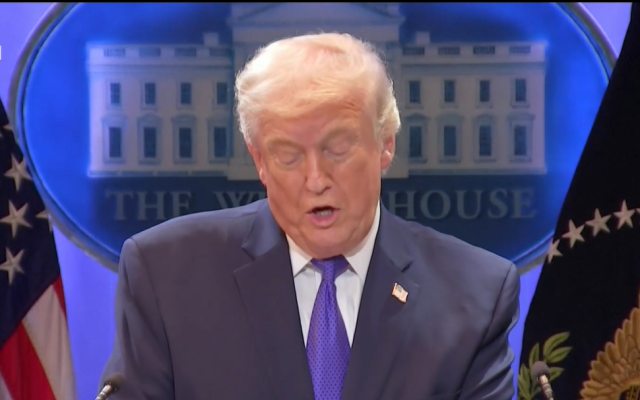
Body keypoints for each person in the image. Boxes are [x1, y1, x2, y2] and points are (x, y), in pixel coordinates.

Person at [101, 32, 520, 400]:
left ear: (385, 145)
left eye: (338, 149)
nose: (316, 180)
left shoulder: (476, 295)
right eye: (288, 155)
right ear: (259, 161)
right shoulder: (165, 276)